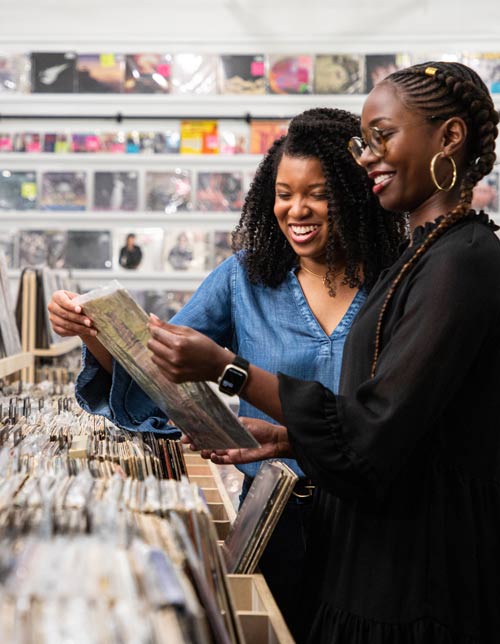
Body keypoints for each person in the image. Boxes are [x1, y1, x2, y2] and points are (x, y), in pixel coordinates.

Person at [145, 62, 500, 643]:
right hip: (372, 559)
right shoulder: (425, 258)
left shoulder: (459, 262)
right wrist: (288, 438)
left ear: (449, 138)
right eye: (364, 142)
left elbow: (372, 433)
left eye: (384, 136)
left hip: (413, 580)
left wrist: (229, 370)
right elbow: (397, 426)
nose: (368, 157)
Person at [47, 107, 405, 638]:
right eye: (284, 193)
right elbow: (157, 372)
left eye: (318, 194)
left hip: (378, 527)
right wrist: (90, 328)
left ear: (355, 194)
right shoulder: (244, 279)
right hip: (275, 519)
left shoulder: (396, 280)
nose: (296, 209)